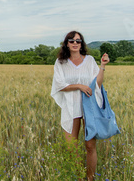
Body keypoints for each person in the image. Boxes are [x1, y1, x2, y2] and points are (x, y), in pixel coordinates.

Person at [50, 30, 110, 181]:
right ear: (66, 43)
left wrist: (102, 66)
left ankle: (90, 179)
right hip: (71, 107)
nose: (75, 43)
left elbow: (97, 83)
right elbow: (59, 85)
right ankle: (79, 178)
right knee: (71, 148)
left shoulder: (89, 60)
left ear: (81, 43)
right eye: (71, 40)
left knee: (90, 146)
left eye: (78, 40)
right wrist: (79, 86)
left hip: (89, 106)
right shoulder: (61, 63)